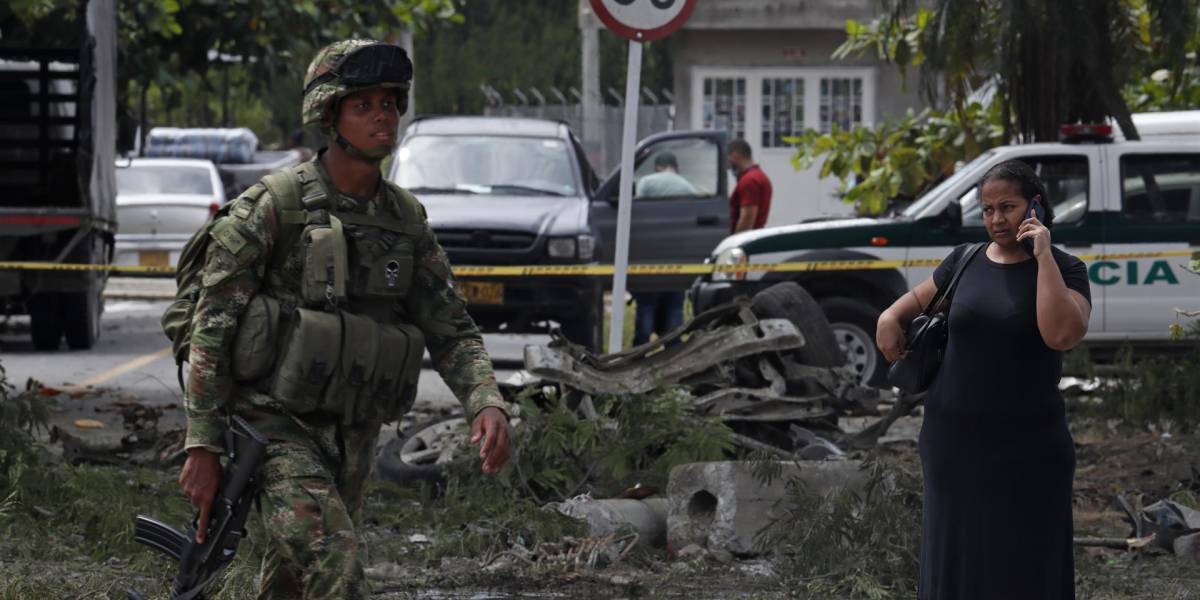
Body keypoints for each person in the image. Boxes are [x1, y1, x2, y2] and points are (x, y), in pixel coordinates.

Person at [176, 39, 512, 598]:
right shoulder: (274, 205)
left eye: (391, 104)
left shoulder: (404, 219)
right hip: (272, 429)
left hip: (354, 433)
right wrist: (203, 444)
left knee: (294, 581)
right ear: (330, 116)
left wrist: (486, 400)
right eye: (365, 106)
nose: (384, 117)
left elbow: (450, 327)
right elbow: (213, 326)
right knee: (336, 564)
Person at [875, 160, 1091, 600]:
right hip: (953, 443)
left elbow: (1060, 333)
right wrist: (888, 317)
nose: (996, 219)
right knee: (956, 556)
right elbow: (913, 302)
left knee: (1027, 557)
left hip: (1029, 448)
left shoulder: (1067, 270)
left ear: (1036, 207)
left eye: (1007, 207)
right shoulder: (965, 259)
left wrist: (1043, 255)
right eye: (987, 209)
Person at [631, 151, 694, 345]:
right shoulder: (688, 187)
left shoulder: (646, 183)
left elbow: (637, 214)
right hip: (678, 257)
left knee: (647, 305)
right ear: (675, 167)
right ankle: (673, 350)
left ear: (657, 166)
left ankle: (639, 351)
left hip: (650, 255)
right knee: (674, 306)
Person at [727, 139, 771, 233]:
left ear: (735, 156)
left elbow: (747, 217)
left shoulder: (749, 181)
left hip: (747, 240)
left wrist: (734, 242)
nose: (728, 166)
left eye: (728, 160)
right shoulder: (759, 176)